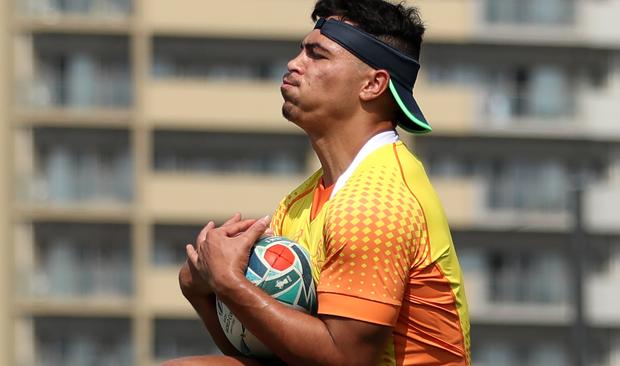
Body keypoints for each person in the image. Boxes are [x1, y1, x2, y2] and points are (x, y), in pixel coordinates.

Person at [164, 0, 470, 365]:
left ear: (373, 84)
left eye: (317, 55)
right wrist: (201, 288)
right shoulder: (300, 202)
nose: (294, 64)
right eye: (300, 51)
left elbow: (344, 359)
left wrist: (230, 282)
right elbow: (267, 348)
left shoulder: (375, 202)